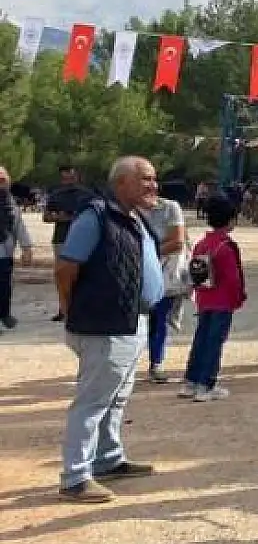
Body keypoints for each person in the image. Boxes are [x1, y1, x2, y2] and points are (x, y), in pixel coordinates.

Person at [54, 157, 165, 503]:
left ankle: (107, 459)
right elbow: (65, 269)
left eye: (154, 179)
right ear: (121, 183)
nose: (153, 185)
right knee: (93, 401)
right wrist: (75, 310)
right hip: (104, 326)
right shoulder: (96, 216)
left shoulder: (133, 217)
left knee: (116, 399)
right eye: (145, 179)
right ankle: (75, 477)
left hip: (133, 322)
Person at [180, 196, 247, 402]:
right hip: (223, 300)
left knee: (201, 339)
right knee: (215, 342)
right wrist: (239, 297)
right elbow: (234, 279)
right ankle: (206, 384)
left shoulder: (202, 244)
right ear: (230, 220)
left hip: (205, 298)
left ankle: (190, 381)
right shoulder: (227, 246)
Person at [141, 189, 189, 383]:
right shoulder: (127, 210)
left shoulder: (169, 208)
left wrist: (143, 254)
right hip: (135, 270)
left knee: (158, 319)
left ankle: (156, 363)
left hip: (164, 273)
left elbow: (177, 242)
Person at [0, 166, 34, 331]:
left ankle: (4, 314)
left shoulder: (10, 203)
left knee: (5, 287)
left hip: (4, 253)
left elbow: (19, 226)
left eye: (3, 180)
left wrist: (26, 248)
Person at [42, 164, 94, 260]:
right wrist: (61, 218)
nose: (69, 181)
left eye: (71, 178)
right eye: (66, 178)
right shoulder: (56, 195)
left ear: (77, 177)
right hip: (61, 238)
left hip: (83, 239)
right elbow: (46, 217)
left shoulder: (87, 195)